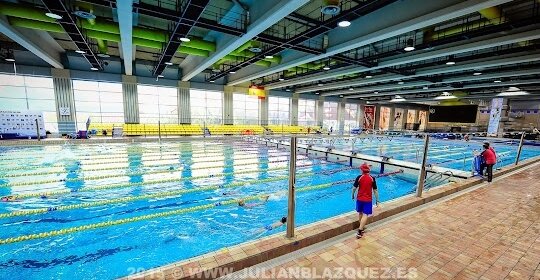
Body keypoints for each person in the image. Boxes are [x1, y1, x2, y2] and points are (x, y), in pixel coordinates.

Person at [352, 163, 380, 239]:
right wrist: (377, 200)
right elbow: (375, 190)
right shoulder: (372, 178)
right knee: (365, 214)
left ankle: (361, 227)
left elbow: (354, 188)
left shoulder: (359, 177)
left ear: (362, 170)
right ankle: (360, 230)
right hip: (368, 200)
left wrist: (353, 195)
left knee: (360, 213)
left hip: (360, 199)